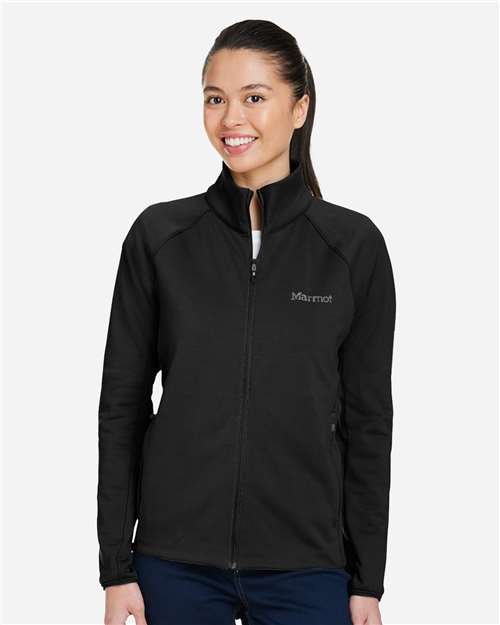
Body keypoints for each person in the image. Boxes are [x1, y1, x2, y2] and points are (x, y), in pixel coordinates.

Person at [97, 18, 396, 625]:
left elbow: (369, 423)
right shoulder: (160, 237)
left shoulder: (352, 247)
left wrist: (367, 581)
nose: (231, 118)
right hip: (173, 563)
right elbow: (122, 406)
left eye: (254, 97)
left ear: (299, 108)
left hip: (307, 567)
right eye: (215, 99)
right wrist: (117, 568)